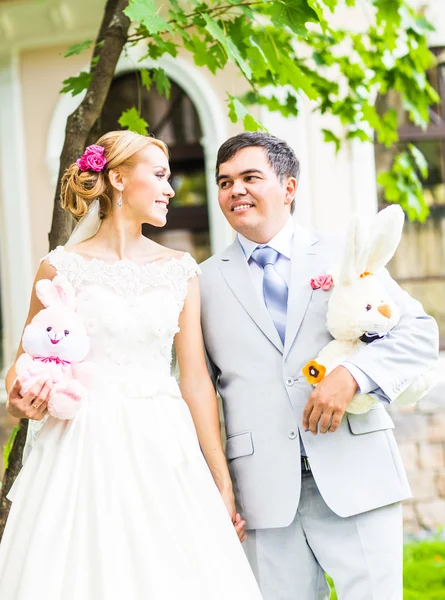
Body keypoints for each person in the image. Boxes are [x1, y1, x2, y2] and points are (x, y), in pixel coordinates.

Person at [0, 131, 263, 600]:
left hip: (162, 444)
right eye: (160, 176)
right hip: (79, 445)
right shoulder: (60, 267)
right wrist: (22, 398)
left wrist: (221, 482)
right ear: (118, 178)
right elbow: (25, 360)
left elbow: (196, 381)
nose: (170, 189)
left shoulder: (180, 269)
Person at [199, 132, 439, 600]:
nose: (235, 191)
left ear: (288, 188)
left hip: (357, 474)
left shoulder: (343, 253)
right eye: (224, 182)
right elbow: (197, 388)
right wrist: (217, 487)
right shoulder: (201, 282)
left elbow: (419, 332)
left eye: (250, 177)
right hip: (261, 495)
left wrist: (353, 376)